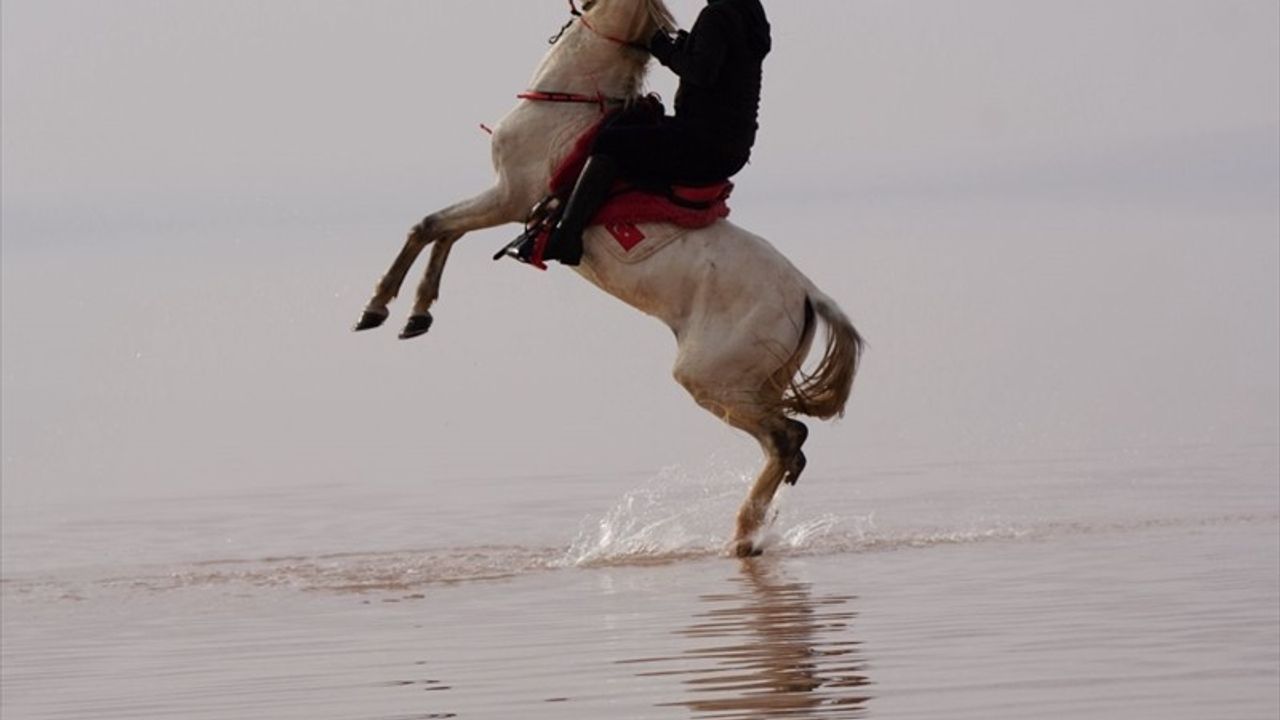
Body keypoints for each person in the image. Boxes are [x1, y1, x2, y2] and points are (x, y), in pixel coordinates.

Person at [544, 0, 772, 265]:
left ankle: (567, 237)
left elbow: (701, 73)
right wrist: (683, 44)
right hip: (728, 145)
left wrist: (662, 49)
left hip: (702, 142)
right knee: (630, 122)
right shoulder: (747, 13)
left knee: (610, 141)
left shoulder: (717, 14)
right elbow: (720, 65)